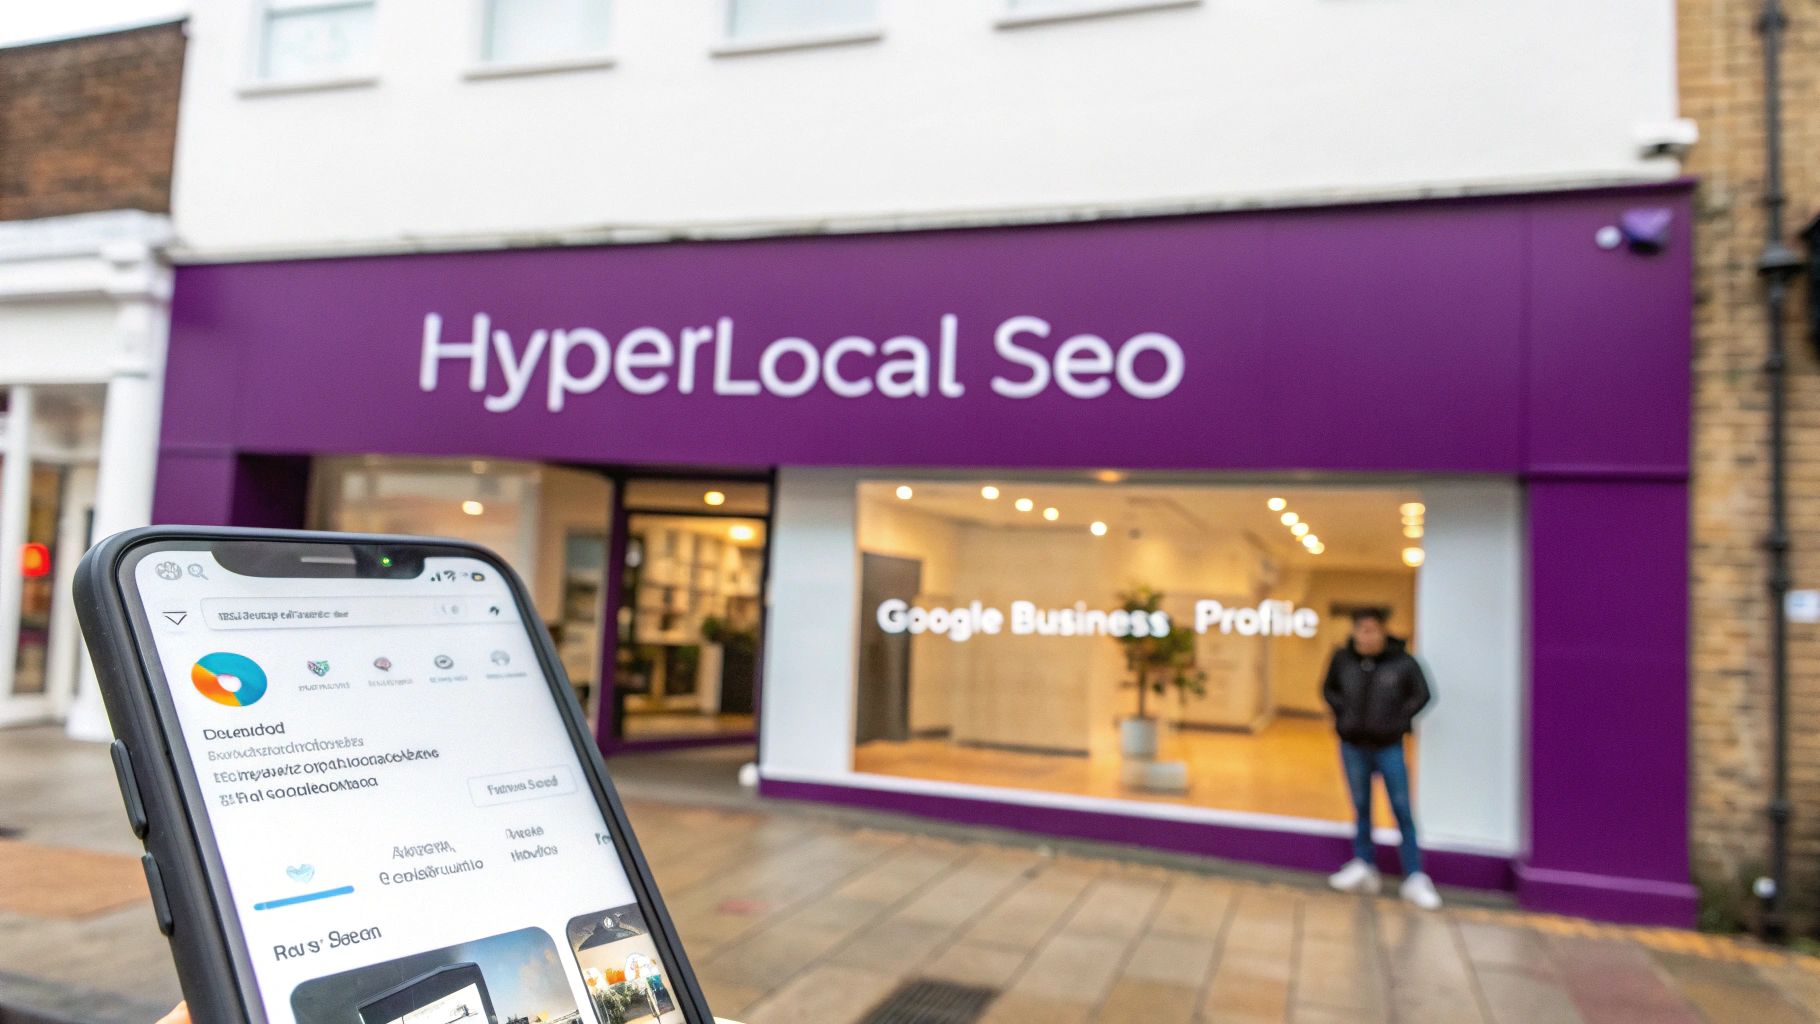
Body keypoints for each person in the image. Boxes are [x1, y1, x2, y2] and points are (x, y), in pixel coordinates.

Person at [1321, 607, 1439, 909]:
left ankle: (1414, 875)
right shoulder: (1343, 660)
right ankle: (1364, 864)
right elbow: (1329, 689)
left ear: (1383, 632)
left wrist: (1399, 720)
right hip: (1353, 745)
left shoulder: (1403, 662)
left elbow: (1423, 694)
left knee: (1401, 808)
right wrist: (1344, 714)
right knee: (1361, 807)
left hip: (1389, 746)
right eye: (1362, 629)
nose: (1367, 635)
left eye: (1373, 629)